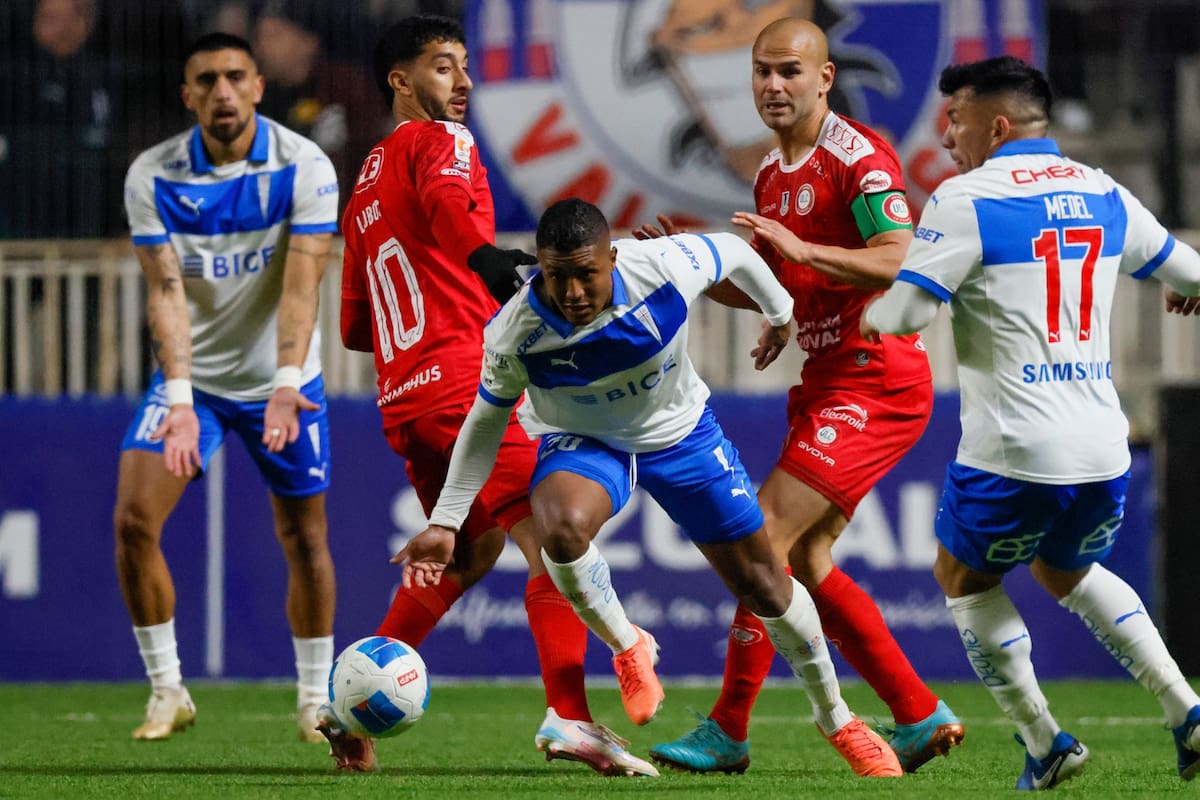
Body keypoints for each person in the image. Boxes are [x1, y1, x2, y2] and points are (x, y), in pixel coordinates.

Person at [400, 197, 906, 779]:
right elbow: (486, 422)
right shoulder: (516, 330)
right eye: (555, 276)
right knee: (558, 529)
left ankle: (838, 719)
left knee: (766, 583)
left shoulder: (664, 264)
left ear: (612, 259)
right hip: (586, 442)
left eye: (585, 274)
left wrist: (781, 311)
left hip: (682, 434)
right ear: (539, 266)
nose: (571, 293)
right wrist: (444, 521)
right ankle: (627, 645)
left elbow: (737, 251)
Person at [320, 15, 656, 777]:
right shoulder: (442, 142)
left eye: (465, 66)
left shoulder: (365, 183)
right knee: (557, 545)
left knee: (471, 550)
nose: (462, 82)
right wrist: (480, 259)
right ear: (400, 81)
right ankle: (571, 719)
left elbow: (352, 328)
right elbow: (446, 205)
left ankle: (348, 709)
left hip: (404, 401)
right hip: (467, 386)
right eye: (443, 67)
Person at [859, 55, 1200, 790]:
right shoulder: (1105, 191)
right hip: (1102, 447)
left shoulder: (964, 198)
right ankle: (1187, 708)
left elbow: (904, 315)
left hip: (1014, 449)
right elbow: (1191, 274)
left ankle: (1044, 742)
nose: (947, 136)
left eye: (955, 119)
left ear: (997, 123)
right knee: (1065, 568)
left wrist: (869, 307)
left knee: (960, 576)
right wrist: (1183, 293)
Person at [644, 17, 963, 775]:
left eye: (790, 71)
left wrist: (803, 249)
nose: (772, 86)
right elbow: (773, 282)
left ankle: (728, 730)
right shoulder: (770, 171)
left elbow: (898, 261)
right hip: (824, 377)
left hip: (876, 378)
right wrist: (691, 274)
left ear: (824, 78)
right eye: (761, 72)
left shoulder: (858, 157)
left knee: (764, 543)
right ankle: (919, 714)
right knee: (810, 560)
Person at [114, 32, 338, 744]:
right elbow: (165, 293)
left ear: (259, 86)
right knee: (132, 523)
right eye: (206, 80)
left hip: (285, 380)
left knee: (304, 539)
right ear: (188, 96)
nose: (222, 91)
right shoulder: (153, 175)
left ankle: (312, 701)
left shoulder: (305, 166)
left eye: (235, 76)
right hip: (197, 384)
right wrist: (179, 400)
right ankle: (168, 690)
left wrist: (281, 382)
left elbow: (303, 288)